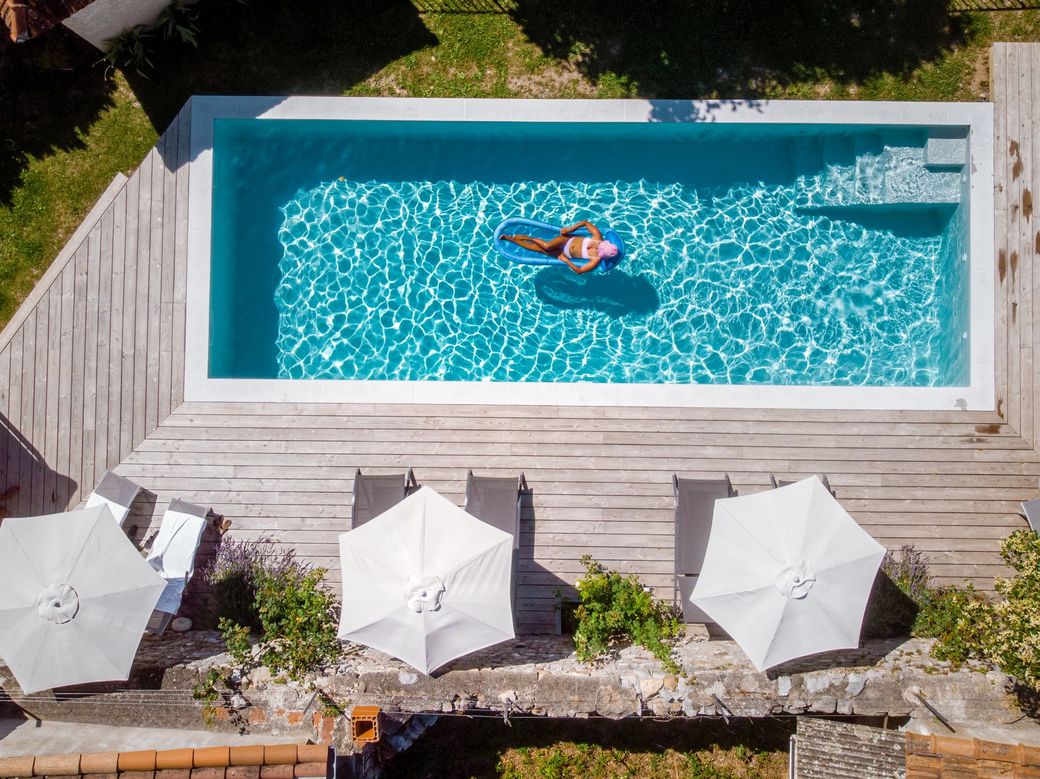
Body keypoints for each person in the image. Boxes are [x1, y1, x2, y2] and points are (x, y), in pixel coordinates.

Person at [499, 220, 619, 275]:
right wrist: (571, 229)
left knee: (536, 249)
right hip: (566, 239)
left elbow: (579, 271)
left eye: (600, 250)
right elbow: (586, 223)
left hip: (565, 254)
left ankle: (511, 239)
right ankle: (530, 238)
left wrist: (567, 261)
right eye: (601, 246)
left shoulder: (596, 259)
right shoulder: (598, 238)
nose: (598, 247)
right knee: (547, 245)